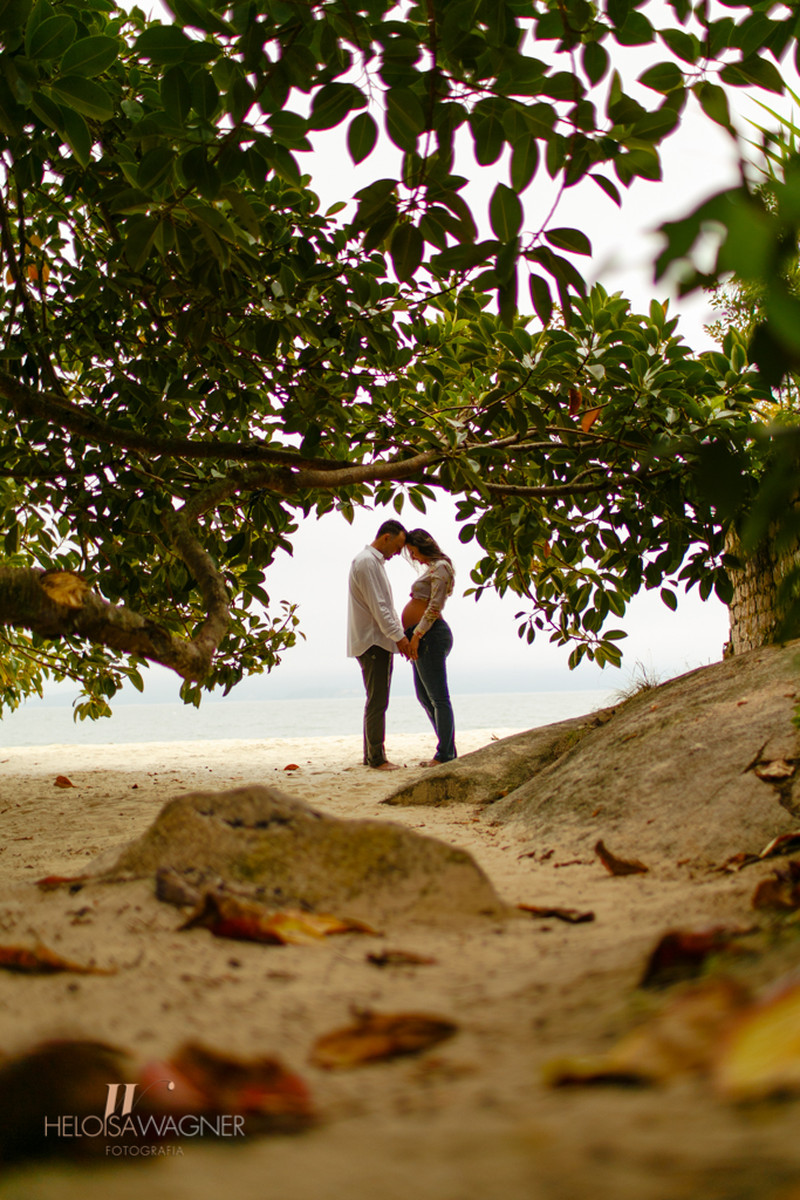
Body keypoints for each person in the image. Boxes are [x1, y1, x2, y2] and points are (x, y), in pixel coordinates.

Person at [347, 520, 410, 771]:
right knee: (378, 701)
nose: (398, 552)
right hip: (374, 640)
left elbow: (387, 606)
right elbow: (379, 607)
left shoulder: (372, 563)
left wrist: (398, 636)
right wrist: (400, 638)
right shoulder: (367, 563)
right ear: (386, 537)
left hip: (377, 639)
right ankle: (376, 758)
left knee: (376, 699)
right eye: (398, 545)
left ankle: (370, 755)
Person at [401, 528, 457, 765]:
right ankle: (447, 749)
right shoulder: (434, 569)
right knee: (424, 696)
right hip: (421, 635)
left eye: (413, 551)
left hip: (430, 635)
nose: (413, 557)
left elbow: (435, 606)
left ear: (422, 546)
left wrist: (417, 635)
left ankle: (444, 754)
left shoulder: (441, 567)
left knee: (437, 697)